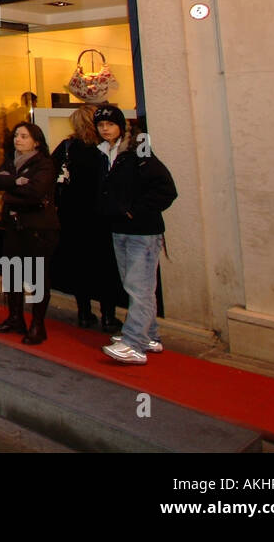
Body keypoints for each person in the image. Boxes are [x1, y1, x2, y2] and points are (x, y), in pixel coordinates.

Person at [94, 106, 177, 365]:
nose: (105, 128)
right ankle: (149, 335)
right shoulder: (106, 153)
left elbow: (166, 188)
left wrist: (135, 211)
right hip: (120, 229)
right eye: (101, 125)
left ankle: (134, 344)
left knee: (138, 287)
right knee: (137, 286)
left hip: (142, 231)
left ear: (121, 125)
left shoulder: (138, 150)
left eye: (110, 123)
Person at [51, 105, 123, 331]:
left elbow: (52, 175)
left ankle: (84, 313)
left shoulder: (68, 147)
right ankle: (109, 316)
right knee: (106, 268)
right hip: (101, 218)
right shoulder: (105, 150)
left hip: (72, 216)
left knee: (79, 265)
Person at [0, 123, 59, 344]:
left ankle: (38, 325)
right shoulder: (11, 161)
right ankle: (15, 317)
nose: (18, 140)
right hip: (14, 226)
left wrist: (9, 196)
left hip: (38, 228)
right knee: (12, 273)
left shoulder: (44, 164)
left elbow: (36, 192)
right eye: (16, 135)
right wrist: (13, 182)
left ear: (36, 141)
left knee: (38, 276)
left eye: (24, 136)